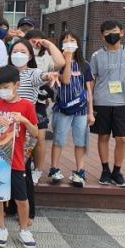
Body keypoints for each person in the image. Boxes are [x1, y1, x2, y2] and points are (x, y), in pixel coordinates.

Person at [0, 39, 58, 219]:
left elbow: (45, 76)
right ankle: (9, 207)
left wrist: (50, 75)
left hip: (24, 127)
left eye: (23, 51)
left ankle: (28, 213)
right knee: (5, 167)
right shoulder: (5, 73)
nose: (18, 54)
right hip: (5, 129)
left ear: (30, 55)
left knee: (22, 171)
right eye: (15, 51)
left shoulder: (33, 73)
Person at [0, 65, 38, 248]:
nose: (2, 90)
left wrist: (24, 120)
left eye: (6, 86)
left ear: (17, 85)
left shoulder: (27, 105)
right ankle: (1, 228)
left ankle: (24, 230)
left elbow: (36, 133)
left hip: (16, 160)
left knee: (21, 198)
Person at [90, 20, 125, 188]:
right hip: (101, 101)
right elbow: (92, 80)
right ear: (102, 36)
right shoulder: (97, 56)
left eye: (115, 31)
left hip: (122, 102)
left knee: (122, 138)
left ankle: (117, 171)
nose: (112, 35)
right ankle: (105, 170)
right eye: (107, 32)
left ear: (122, 32)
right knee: (103, 136)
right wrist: (90, 105)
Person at [49, 32, 94, 188]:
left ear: (78, 44)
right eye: (65, 40)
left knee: (80, 141)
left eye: (72, 40)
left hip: (81, 109)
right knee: (59, 139)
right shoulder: (58, 63)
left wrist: (91, 112)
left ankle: (80, 171)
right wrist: (67, 60)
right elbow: (66, 80)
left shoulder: (85, 65)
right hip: (63, 108)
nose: (69, 42)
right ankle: (54, 169)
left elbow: (89, 90)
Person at [24, 29, 66, 184]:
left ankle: (38, 170)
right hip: (21, 101)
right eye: (32, 40)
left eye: (39, 41)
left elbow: (61, 63)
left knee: (39, 138)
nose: (36, 44)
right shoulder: (20, 56)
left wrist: (48, 44)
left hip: (39, 103)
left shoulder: (46, 58)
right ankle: (24, 166)